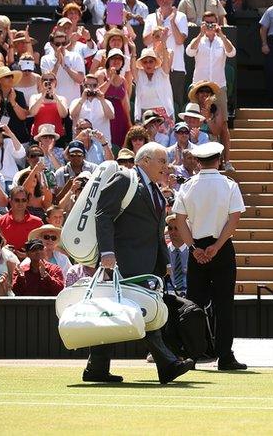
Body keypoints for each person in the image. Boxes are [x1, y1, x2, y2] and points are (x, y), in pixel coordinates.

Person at [86, 142, 194, 384]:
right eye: (161, 161)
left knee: (117, 314)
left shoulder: (154, 188)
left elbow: (157, 230)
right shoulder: (125, 179)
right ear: (145, 161)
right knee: (141, 312)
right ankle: (168, 364)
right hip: (122, 261)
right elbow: (103, 214)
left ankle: (96, 367)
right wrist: (106, 252)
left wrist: (164, 261)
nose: (166, 167)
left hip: (146, 263)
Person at [173, 142, 246, 371]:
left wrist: (193, 248)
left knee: (194, 303)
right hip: (221, 247)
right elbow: (234, 219)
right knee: (224, 304)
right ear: (219, 159)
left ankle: (192, 355)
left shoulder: (188, 186)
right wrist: (217, 245)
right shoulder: (229, 185)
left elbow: (179, 220)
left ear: (197, 161)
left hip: (198, 247)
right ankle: (224, 356)